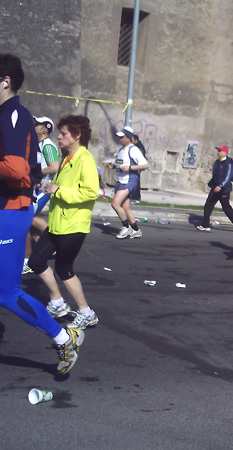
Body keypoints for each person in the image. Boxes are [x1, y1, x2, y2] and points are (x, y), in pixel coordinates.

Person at [0, 53, 83, 375]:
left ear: (5, 81)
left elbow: (17, 167)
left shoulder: (14, 114)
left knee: (7, 293)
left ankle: (64, 337)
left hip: (10, 210)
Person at [29, 115, 100, 329]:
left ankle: (86, 312)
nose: (58, 137)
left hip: (74, 225)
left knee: (64, 268)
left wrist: (59, 190)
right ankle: (58, 302)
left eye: (64, 134)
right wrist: (50, 187)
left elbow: (91, 192)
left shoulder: (84, 159)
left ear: (77, 135)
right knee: (36, 261)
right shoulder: (68, 157)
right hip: (58, 223)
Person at [23, 115, 60, 274]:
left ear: (45, 129)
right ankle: (43, 251)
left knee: (25, 219)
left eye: (37, 124)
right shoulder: (39, 144)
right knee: (28, 222)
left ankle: (27, 260)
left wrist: (34, 172)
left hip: (44, 189)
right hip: (37, 187)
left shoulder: (47, 145)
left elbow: (54, 167)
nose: (34, 126)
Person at [107, 126, 149, 238]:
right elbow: (121, 164)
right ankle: (136, 229)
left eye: (122, 137)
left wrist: (130, 168)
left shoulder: (133, 149)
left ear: (128, 138)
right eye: (119, 137)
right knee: (125, 207)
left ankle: (126, 227)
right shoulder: (121, 150)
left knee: (115, 204)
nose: (119, 139)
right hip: (121, 180)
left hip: (129, 180)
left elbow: (145, 165)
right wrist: (113, 166)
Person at [196, 145, 233, 233]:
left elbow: (228, 176)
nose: (218, 152)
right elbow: (215, 175)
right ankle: (205, 225)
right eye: (218, 150)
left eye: (220, 151)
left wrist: (220, 185)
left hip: (224, 189)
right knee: (208, 206)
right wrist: (213, 184)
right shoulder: (216, 162)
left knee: (226, 207)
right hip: (215, 188)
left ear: (225, 152)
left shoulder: (229, 163)